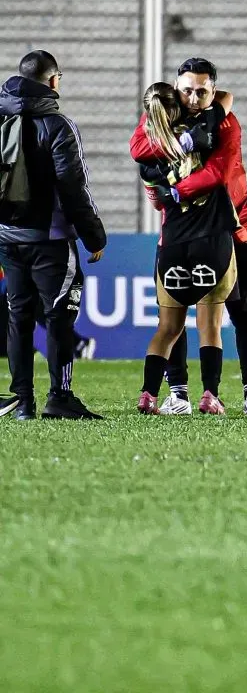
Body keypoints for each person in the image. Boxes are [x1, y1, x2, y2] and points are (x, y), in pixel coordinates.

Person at [131, 59, 247, 416]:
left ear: (213, 90)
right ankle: (179, 392)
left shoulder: (226, 121)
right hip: (182, 230)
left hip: (233, 224)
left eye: (202, 91)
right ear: (176, 89)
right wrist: (185, 140)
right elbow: (138, 148)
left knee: (243, 310)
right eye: (187, 90)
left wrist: (175, 192)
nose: (194, 97)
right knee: (179, 312)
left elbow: (220, 171)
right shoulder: (163, 118)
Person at [0, 50, 106, 421]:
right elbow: (75, 188)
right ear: (53, 81)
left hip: (7, 237)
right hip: (51, 239)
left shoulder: (1, 116)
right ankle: (59, 397)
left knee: (19, 316)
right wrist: (94, 236)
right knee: (60, 316)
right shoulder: (59, 126)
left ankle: (21, 402)